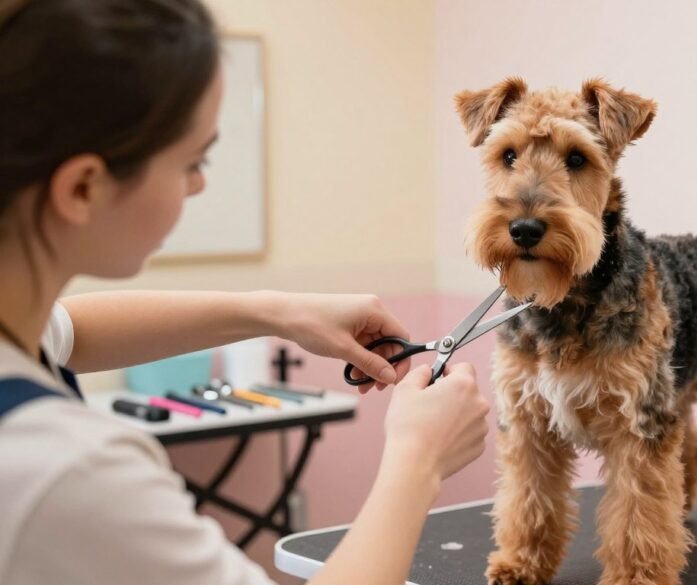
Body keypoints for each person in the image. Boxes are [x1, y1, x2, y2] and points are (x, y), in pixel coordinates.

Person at [0, 1, 491, 584]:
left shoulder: (17, 331)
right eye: (193, 161)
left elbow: (70, 331)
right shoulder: (66, 471)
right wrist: (419, 462)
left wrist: (279, 311)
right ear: (83, 187)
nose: (201, 184)